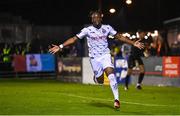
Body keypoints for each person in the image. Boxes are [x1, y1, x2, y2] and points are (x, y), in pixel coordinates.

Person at [49, 11, 144, 109]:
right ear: (92, 19)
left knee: (111, 74)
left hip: (105, 55)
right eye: (94, 18)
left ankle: (116, 100)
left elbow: (119, 36)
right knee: (100, 81)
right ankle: (97, 77)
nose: (96, 19)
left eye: (97, 17)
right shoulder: (87, 30)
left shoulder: (107, 28)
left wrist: (133, 43)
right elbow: (74, 39)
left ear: (101, 18)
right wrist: (60, 46)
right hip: (94, 58)